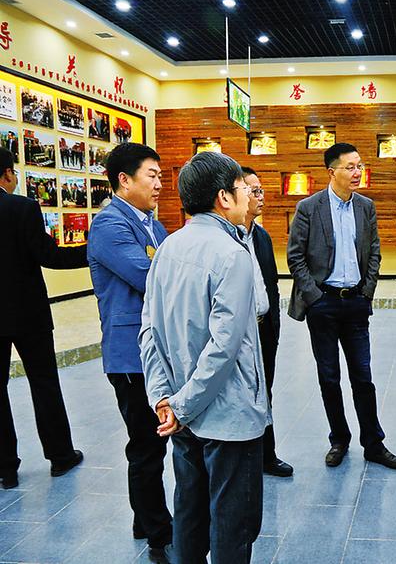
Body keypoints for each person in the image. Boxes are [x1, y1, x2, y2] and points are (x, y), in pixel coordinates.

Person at [140, 151, 269, 563]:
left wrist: (164, 399)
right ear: (223, 197)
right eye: (243, 189)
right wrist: (180, 404)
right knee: (234, 527)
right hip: (228, 419)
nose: (249, 196)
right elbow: (224, 347)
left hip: (181, 415)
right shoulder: (232, 254)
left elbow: (149, 332)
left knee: (190, 519)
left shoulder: (167, 248)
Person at [287, 142, 396, 470]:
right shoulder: (309, 208)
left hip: (355, 303)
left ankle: (374, 444)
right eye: (350, 167)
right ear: (332, 172)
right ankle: (339, 439)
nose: (357, 172)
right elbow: (295, 256)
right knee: (329, 377)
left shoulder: (365, 207)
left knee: (363, 377)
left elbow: (374, 251)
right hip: (323, 303)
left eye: (359, 166)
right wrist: (313, 297)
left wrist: (367, 292)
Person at [86, 142, 173, 563]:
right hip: (129, 354)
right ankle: (159, 535)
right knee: (146, 445)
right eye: (151, 175)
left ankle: (145, 519)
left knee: (154, 443)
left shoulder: (153, 225)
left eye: (160, 176)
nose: (159, 184)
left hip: (153, 349)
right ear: (124, 180)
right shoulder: (109, 225)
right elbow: (150, 274)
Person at [0, 146, 84, 490]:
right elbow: (49, 256)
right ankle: (60, 456)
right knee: (44, 382)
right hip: (28, 313)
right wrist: (93, 251)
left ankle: (5, 468)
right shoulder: (22, 208)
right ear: (7, 174)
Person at [241, 166, 293, 478]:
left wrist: (273, 324)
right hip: (239, 332)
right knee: (242, 395)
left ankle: (266, 455)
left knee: (265, 392)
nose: (261, 197)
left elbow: (270, 284)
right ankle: (244, 459)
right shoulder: (226, 238)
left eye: (262, 190)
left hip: (264, 329)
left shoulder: (261, 236)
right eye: (254, 191)